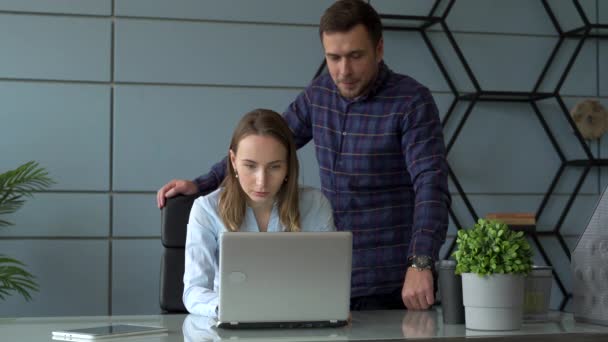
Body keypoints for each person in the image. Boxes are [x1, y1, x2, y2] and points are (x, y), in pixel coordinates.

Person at [161, 0, 450, 311]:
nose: (344, 71)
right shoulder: (319, 95)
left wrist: (420, 262)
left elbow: (431, 186)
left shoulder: (411, 102)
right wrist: (201, 183)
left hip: (393, 280)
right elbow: (266, 142)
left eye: (355, 56)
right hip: (328, 281)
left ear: (379, 49)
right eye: (333, 58)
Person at [182, 109, 335, 317]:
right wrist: (232, 309)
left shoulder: (315, 205)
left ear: (288, 166)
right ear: (233, 161)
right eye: (250, 166)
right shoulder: (206, 210)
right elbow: (194, 291)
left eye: (274, 167)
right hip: (229, 325)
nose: (261, 181)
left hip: (298, 323)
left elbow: (328, 283)